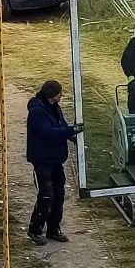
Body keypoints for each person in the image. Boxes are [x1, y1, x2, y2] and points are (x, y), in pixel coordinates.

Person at [25, 79, 81, 246]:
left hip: (56, 159)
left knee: (59, 194)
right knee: (46, 195)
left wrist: (70, 135)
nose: (60, 96)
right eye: (58, 93)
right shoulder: (37, 112)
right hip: (42, 159)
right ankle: (35, 229)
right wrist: (70, 130)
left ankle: (53, 229)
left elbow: (60, 126)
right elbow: (48, 133)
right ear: (51, 94)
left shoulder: (55, 108)